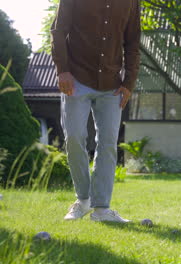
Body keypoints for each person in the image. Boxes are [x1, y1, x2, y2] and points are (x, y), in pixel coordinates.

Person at [51, 0, 141, 222]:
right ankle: (83, 200)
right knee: (74, 136)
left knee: (108, 143)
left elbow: (132, 43)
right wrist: (62, 70)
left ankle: (101, 209)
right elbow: (59, 30)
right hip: (76, 79)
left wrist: (128, 82)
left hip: (112, 83)